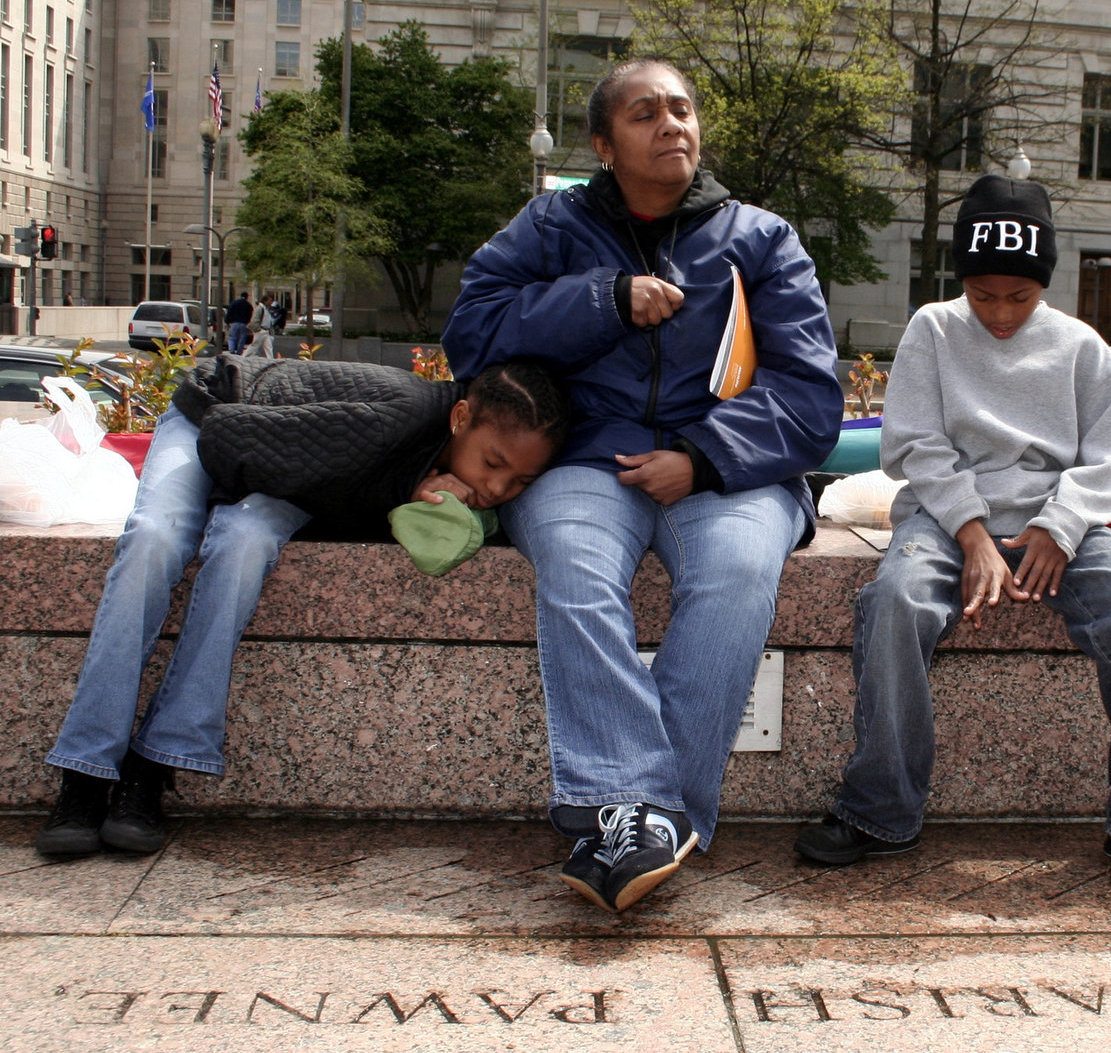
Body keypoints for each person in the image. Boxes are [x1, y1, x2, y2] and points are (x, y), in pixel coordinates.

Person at [442, 59, 842, 912]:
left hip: (733, 470)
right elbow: (471, 335)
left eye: (683, 110)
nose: (672, 126)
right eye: (645, 113)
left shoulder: (762, 239)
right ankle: (654, 815)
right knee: (577, 573)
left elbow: (810, 402)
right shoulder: (550, 226)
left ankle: (634, 818)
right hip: (589, 460)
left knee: (736, 576)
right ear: (601, 145)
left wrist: (700, 457)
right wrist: (603, 300)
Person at [793, 175, 1111, 877]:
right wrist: (972, 533)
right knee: (895, 601)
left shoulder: (1084, 348)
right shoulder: (933, 330)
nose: (1000, 313)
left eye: (1020, 297)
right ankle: (878, 809)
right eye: (983, 295)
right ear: (961, 280)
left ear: (1045, 284)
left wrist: (1058, 530)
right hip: (944, 521)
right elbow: (913, 445)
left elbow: (1107, 462)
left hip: (1057, 524)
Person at [34, 356, 569, 857]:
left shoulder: (456, 468)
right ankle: (84, 769)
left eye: (521, 480)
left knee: (243, 545)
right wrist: (403, 487)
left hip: (288, 469)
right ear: (459, 418)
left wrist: (411, 494)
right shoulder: (395, 417)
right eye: (493, 462)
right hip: (216, 416)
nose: (498, 486)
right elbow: (231, 444)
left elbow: (325, 491)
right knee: (155, 538)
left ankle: (153, 763)